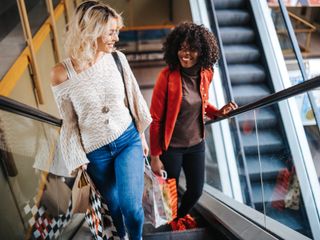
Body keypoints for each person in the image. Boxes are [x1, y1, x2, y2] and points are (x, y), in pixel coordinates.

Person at [50, 1, 152, 239]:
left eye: (117, 31)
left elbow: (134, 98)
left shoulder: (117, 59)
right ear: (92, 31)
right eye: (111, 32)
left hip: (127, 140)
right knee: (114, 210)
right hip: (96, 154)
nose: (116, 38)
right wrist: (77, 158)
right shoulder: (61, 73)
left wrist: (141, 135)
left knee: (132, 210)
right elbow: (69, 121)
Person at [149, 22, 238, 231]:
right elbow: (156, 119)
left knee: (196, 190)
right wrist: (155, 157)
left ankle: (178, 217)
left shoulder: (206, 72)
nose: (185, 54)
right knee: (168, 191)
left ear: (202, 52)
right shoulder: (167, 77)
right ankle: (171, 222)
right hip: (171, 147)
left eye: (192, 49)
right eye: (181, 48)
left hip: (196, 143)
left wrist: (217, 112)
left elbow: (201, 102)